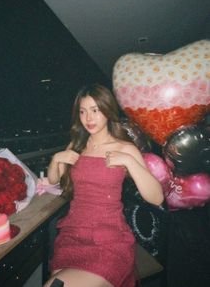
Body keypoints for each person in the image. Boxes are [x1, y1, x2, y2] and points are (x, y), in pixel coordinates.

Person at [44, 84, 164, 287]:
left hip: (109, 239)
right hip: (72, 234)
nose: (88, 118)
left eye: (95, 110)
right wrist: (56, 160)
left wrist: (129, 162)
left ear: (107, 110)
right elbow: (54, 180)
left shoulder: (125, 148)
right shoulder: (77, 145)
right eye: (82, 112)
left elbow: (157, 197)